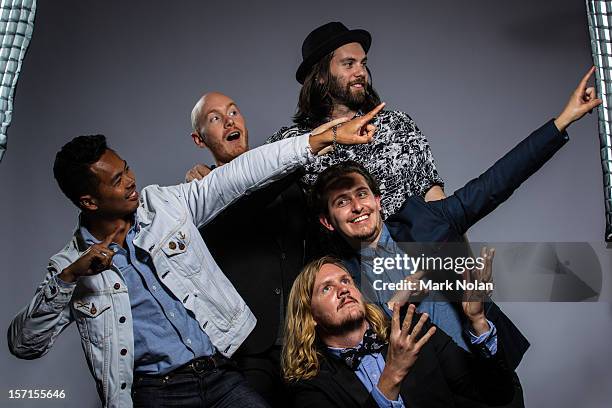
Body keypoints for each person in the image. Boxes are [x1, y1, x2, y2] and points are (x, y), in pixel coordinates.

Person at [6, 104, 384, 408]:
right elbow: (24, 343)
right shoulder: (70, 266)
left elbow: (241, 174)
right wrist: (70, 279)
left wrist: (323, 138)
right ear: (89, 201)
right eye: (117, 181)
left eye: (126, 169)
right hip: (157, 393)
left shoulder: (165, 206)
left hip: (220, 373)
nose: (131, 181)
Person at [308, 67, 601, 405]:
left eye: (361, 195)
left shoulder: (425, 220)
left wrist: (563, 120)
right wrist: (398, 301)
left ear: (378, 201)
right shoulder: (344, 279)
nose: (356, 207)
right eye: (342, 203)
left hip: (489, 370)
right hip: (431, 396)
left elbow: (494, 183)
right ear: (328, 222)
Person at [186, 91, 320, 406]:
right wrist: (205, 183)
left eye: (234, 111)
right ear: (199, 139)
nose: (230, 120)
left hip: (306, 338)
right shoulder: (196, 198)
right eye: (215, 118)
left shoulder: (287, 178)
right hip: (249, 351)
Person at [282, 256, 515, 408]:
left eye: (346, 281)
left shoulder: (416, 330)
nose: (343, 290)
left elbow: (497, 394)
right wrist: (391, 376)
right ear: (309, 317)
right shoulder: (311, 386)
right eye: (327, 288)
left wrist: (478, 321)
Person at [267, 21, 446, 219]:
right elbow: (247, 188)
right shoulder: (295, 141)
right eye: (349, 64)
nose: (360, 72)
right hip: (343, 249)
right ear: (320, 76)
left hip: (411, 246)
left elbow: (433, 195)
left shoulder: (397, 124)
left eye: (363, 63)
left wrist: (456, 249)